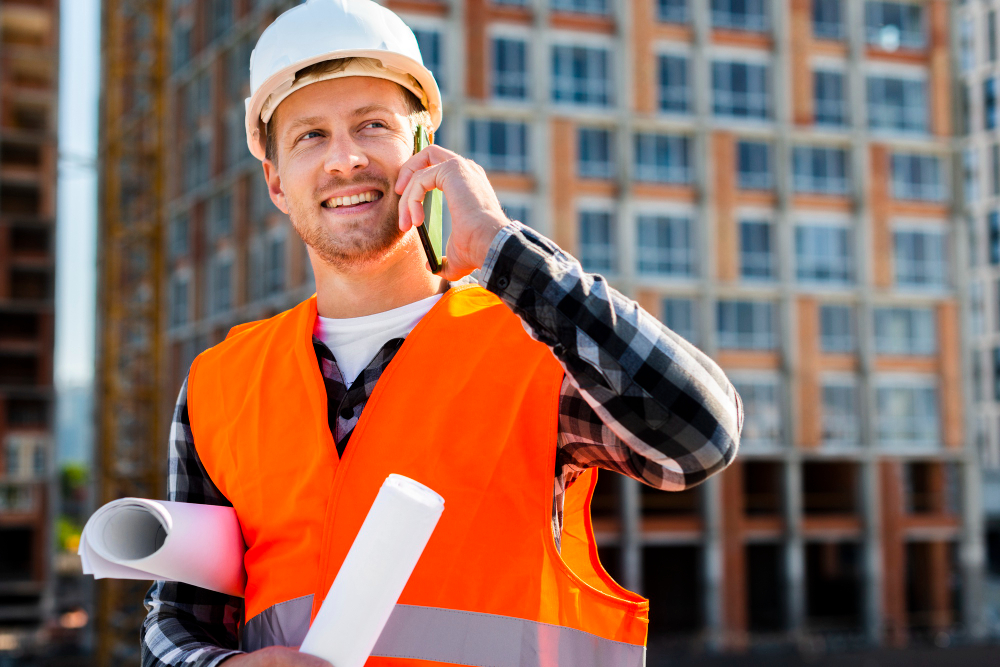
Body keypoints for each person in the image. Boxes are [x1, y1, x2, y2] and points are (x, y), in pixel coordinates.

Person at [140, 1, 742, 666]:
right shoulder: (222, 382)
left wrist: (501, 249)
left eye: (373, 125)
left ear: (424, 151)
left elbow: (699, 439)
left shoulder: (532, 345)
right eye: (311, 135)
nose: (345, 159)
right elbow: (177, 619)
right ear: (276, 181)